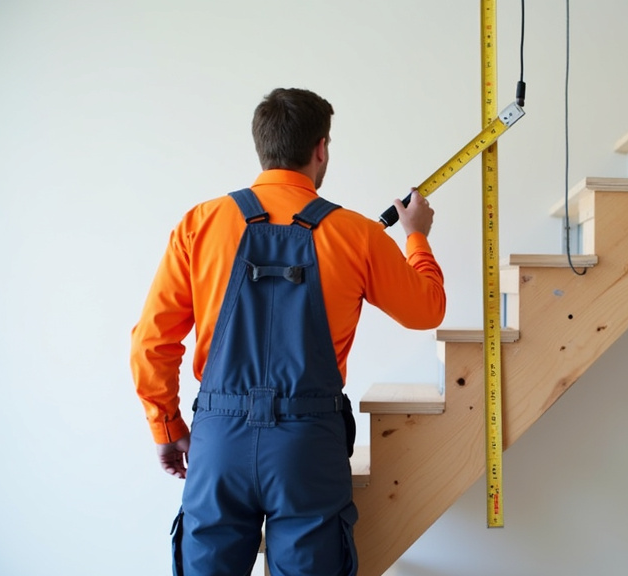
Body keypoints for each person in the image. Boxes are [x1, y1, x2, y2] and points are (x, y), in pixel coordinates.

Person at [131, 87, 446, 576]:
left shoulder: (200, 223)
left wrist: (167, 427)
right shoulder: (357, 233)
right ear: (321, 148)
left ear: (262, 146)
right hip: (308, 448)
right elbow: (427, 310)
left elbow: (152, 342)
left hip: (219, 445)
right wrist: (416, 235)